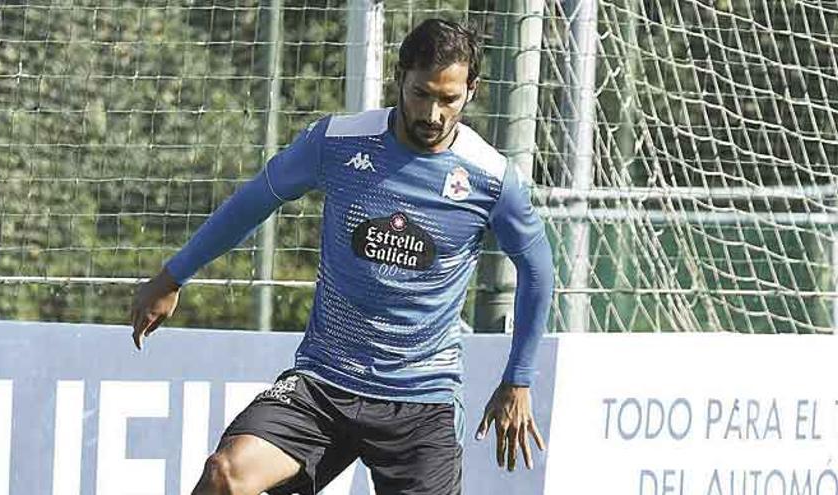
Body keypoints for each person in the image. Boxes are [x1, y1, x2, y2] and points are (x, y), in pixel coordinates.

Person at [130, 18, 554, 495]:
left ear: (471, 91)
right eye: (420, 93)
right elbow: (255, 199)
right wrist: (173, 276)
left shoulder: (492, 179)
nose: (433, 113)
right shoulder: (337, 142)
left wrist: (518, 379)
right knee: (226, 475)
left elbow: (538, 271)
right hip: (323, 381)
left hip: (421, 397)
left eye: (448, 99)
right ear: (400, 78)